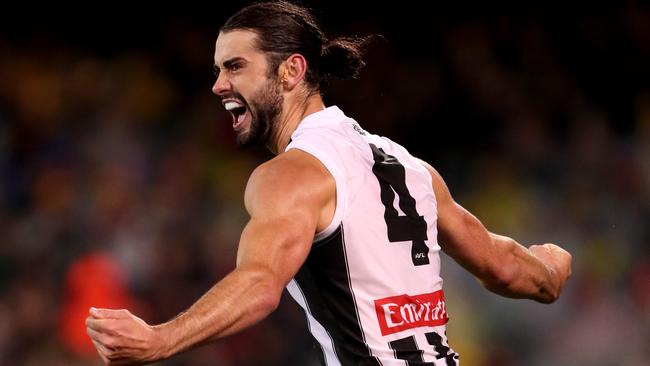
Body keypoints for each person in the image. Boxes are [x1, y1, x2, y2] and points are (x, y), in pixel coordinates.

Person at [85, 1, 573, 365]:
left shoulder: (292, 175)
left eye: (235, 66)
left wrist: (160, 339)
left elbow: (258, 285)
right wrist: (550, 268)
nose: (218, 85)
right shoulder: (409, 166)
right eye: (217, 70)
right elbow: (506, 269)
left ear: (292, 70)